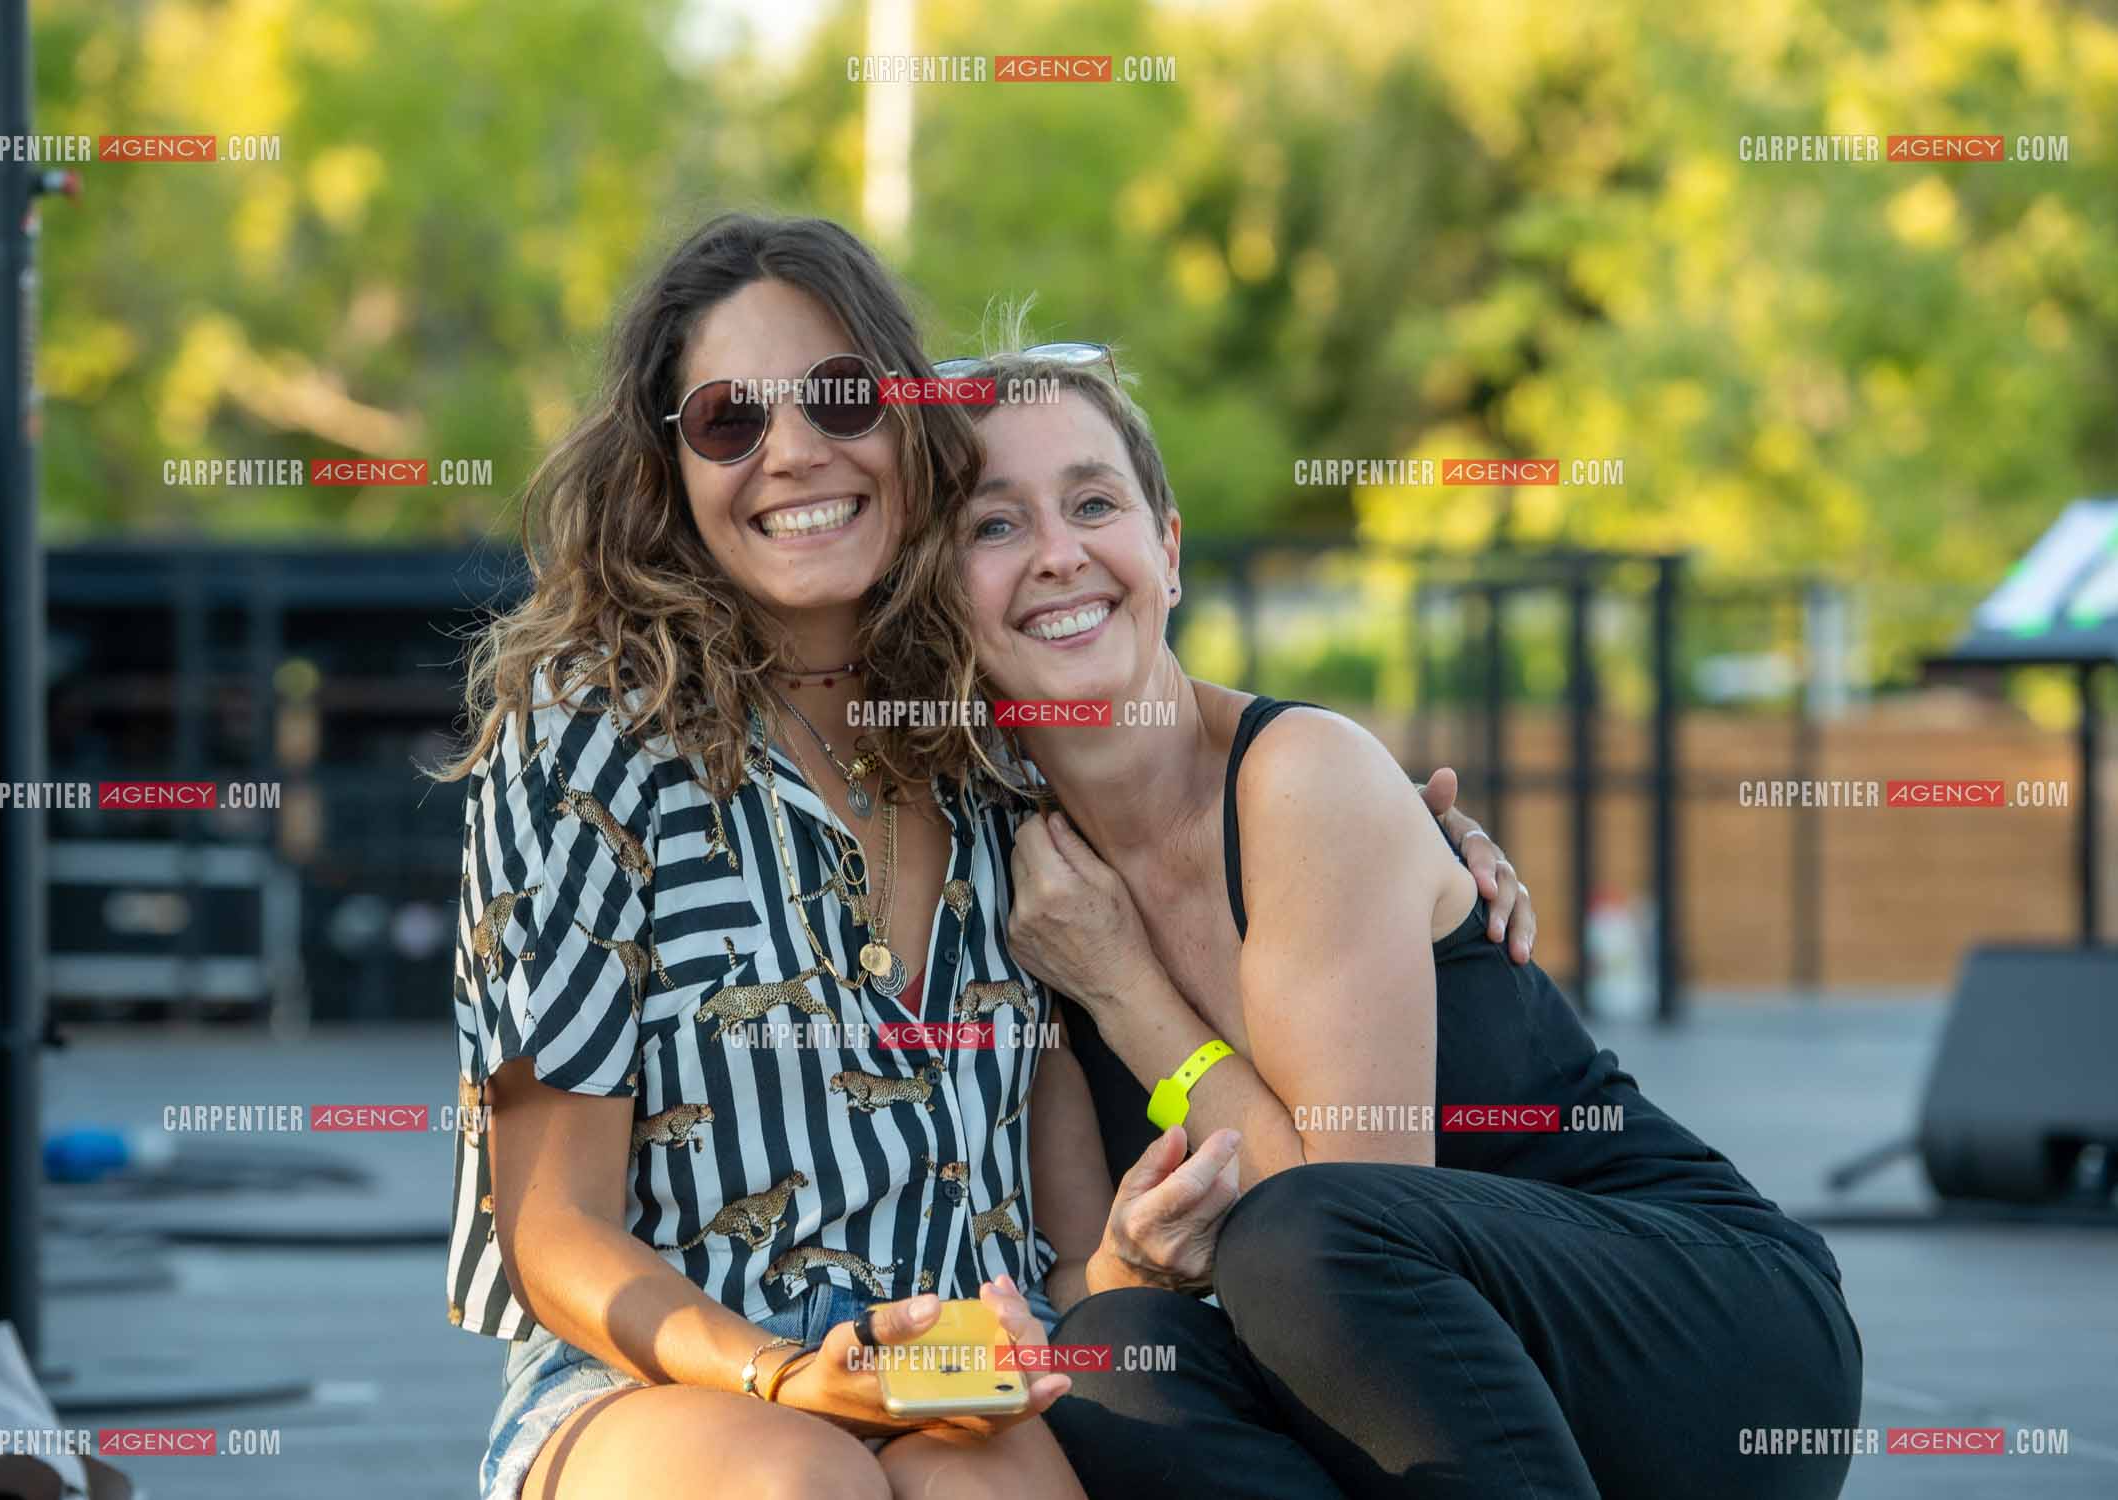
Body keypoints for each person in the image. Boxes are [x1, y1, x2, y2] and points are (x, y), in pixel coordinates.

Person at [431, 214, 1537, 1500]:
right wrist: (790, 1376)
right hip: (669, 1383)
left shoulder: (995, 760)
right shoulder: (589, 736)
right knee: (802, 1485)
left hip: (963, 1372)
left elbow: (1072, 1248)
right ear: (670, 469)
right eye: (731, 420)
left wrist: (1411, 827)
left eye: (841, 399)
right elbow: (550, 1225)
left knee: (1000, 1487)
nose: (792, 451)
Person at [941, 338, 1866, 1499]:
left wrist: (1126, 989)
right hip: (1438, 1420)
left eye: (1092, 502)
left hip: (1697, 1335)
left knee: (1301, 1241)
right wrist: (1127, 1263)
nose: (1059, 554)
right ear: (943, 597)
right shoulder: (1025, 889)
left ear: (1167, 552)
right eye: (994, 526)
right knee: (1110, 1363)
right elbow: (1098, 1277)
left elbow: (1343, 1217)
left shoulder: (1301, 779)